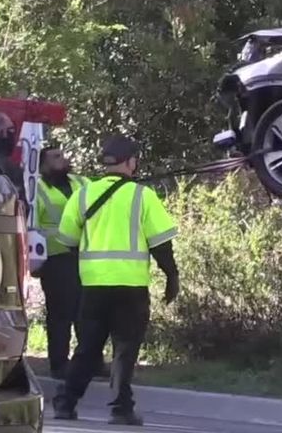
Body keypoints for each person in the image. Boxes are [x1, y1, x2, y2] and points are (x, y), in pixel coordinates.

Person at [51, 135, 180, 426]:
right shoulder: (141, 196)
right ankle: (121, 410)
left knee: (87, 348)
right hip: (130, 287)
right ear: (131, 162)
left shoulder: (82, 195)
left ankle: (65, 402)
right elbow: (161, 243)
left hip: (93, 286)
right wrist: (172, 275)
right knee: (125, 349)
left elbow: (68, 240)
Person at [36, 146, 92, 379]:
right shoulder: (37, 188)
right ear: (43, 164)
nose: (63, 159)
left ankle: (91, 361)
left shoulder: (81, 182)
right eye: (55, 157)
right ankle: (59, 364)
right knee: (61, 314)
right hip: (56, 259)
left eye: (63, 155)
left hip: (86, 255)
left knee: (87, 311)